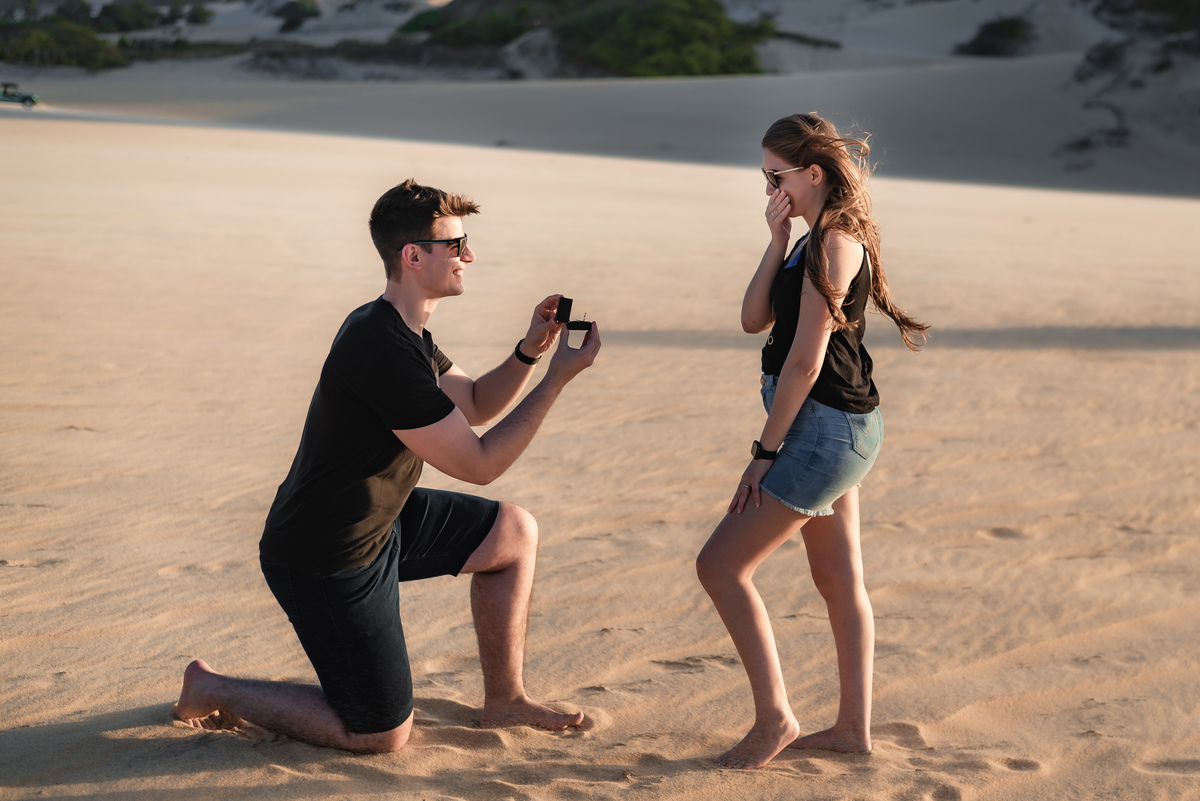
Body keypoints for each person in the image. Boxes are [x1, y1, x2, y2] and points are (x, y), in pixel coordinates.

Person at [173, 178, 601, 753]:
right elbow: (479, 465)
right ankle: (212, 686)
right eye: (457, 245)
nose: (468, 256)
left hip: (382, 521)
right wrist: (557, 381)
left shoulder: (405, 330)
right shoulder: (381, 348)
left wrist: (530, 350)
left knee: (513, 534)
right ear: (413, 255)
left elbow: (473, 403)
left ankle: (505, 699)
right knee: (382, 733)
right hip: (326, 556)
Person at [695, 113, 927, 769]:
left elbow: (802, 361)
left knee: (720, 565)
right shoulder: (807, 238)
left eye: (776, 176)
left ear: (813, 173)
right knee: (837, 577)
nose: (768, 186)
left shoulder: (837, 242)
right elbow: (751, 319)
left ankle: (774, 719)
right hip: (830, 424)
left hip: (825, 429)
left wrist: (761, 456)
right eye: (764, 176)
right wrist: (775, 238)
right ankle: (853, 728)